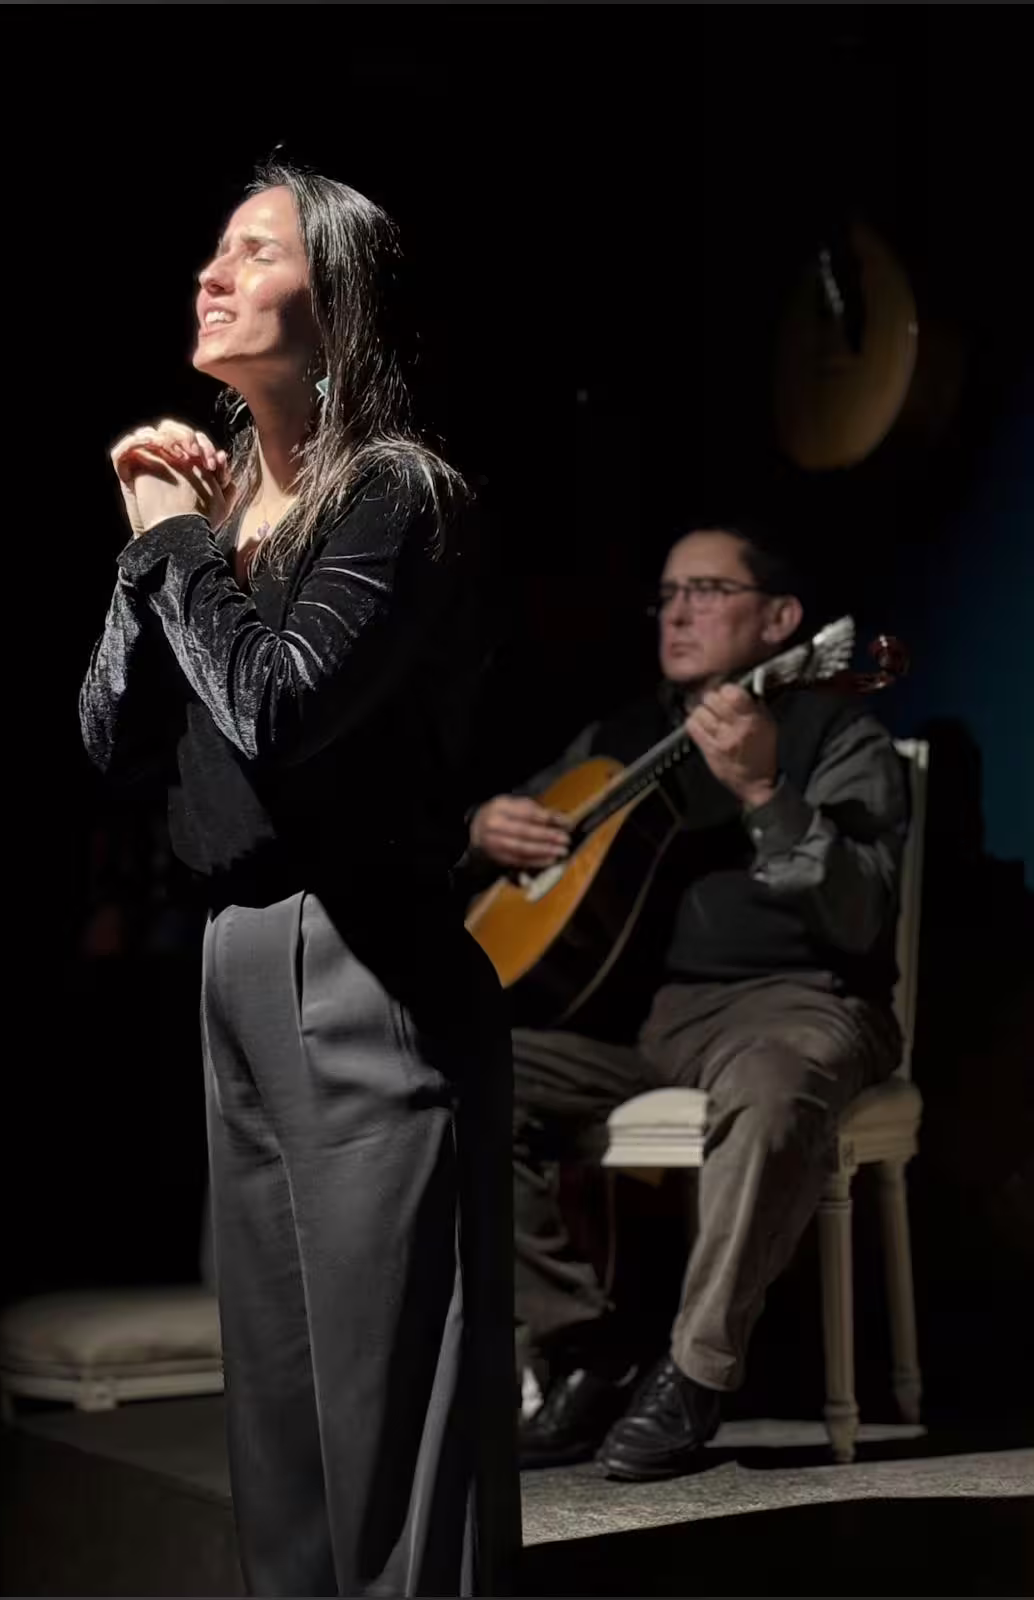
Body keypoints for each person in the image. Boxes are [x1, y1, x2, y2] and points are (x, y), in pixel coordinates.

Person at [79, 162, 518, 1597]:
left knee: (389, 1398)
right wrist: (151, 563)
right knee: (272, 1404)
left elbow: (274, 707)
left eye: (252, 252)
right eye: (211, 248)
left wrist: (177, 544)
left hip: (365, 966)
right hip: (233, 961)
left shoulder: (393, 497)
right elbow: (114, 736)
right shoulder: (212, 517)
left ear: (336, 310)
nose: (209, 273)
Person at [465, 525, 909, 1481]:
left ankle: (695, 1373)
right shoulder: (619, 739)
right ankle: (586, 1346)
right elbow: (532, 826)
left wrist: (762, 791)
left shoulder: (840, 734)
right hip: (646, 1023)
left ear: (783, 621)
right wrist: (484, 827)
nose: (678, 611)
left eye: (708, 589)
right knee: (450, 1068)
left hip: (797, 1007)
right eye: (668, 592)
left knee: (777, 1085)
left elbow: (865, 915)